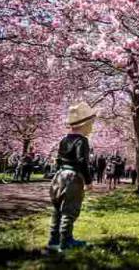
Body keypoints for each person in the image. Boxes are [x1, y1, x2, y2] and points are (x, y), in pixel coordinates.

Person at [47, 101, 95, 252]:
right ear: (85, 124)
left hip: (59, 175)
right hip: (73, 177)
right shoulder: (82, 141)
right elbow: (82, 162)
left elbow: (59, 159)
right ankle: (65, 241)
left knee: (57, 209)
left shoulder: (64, 139)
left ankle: (53, 240)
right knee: (69, 209)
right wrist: (88, 181)